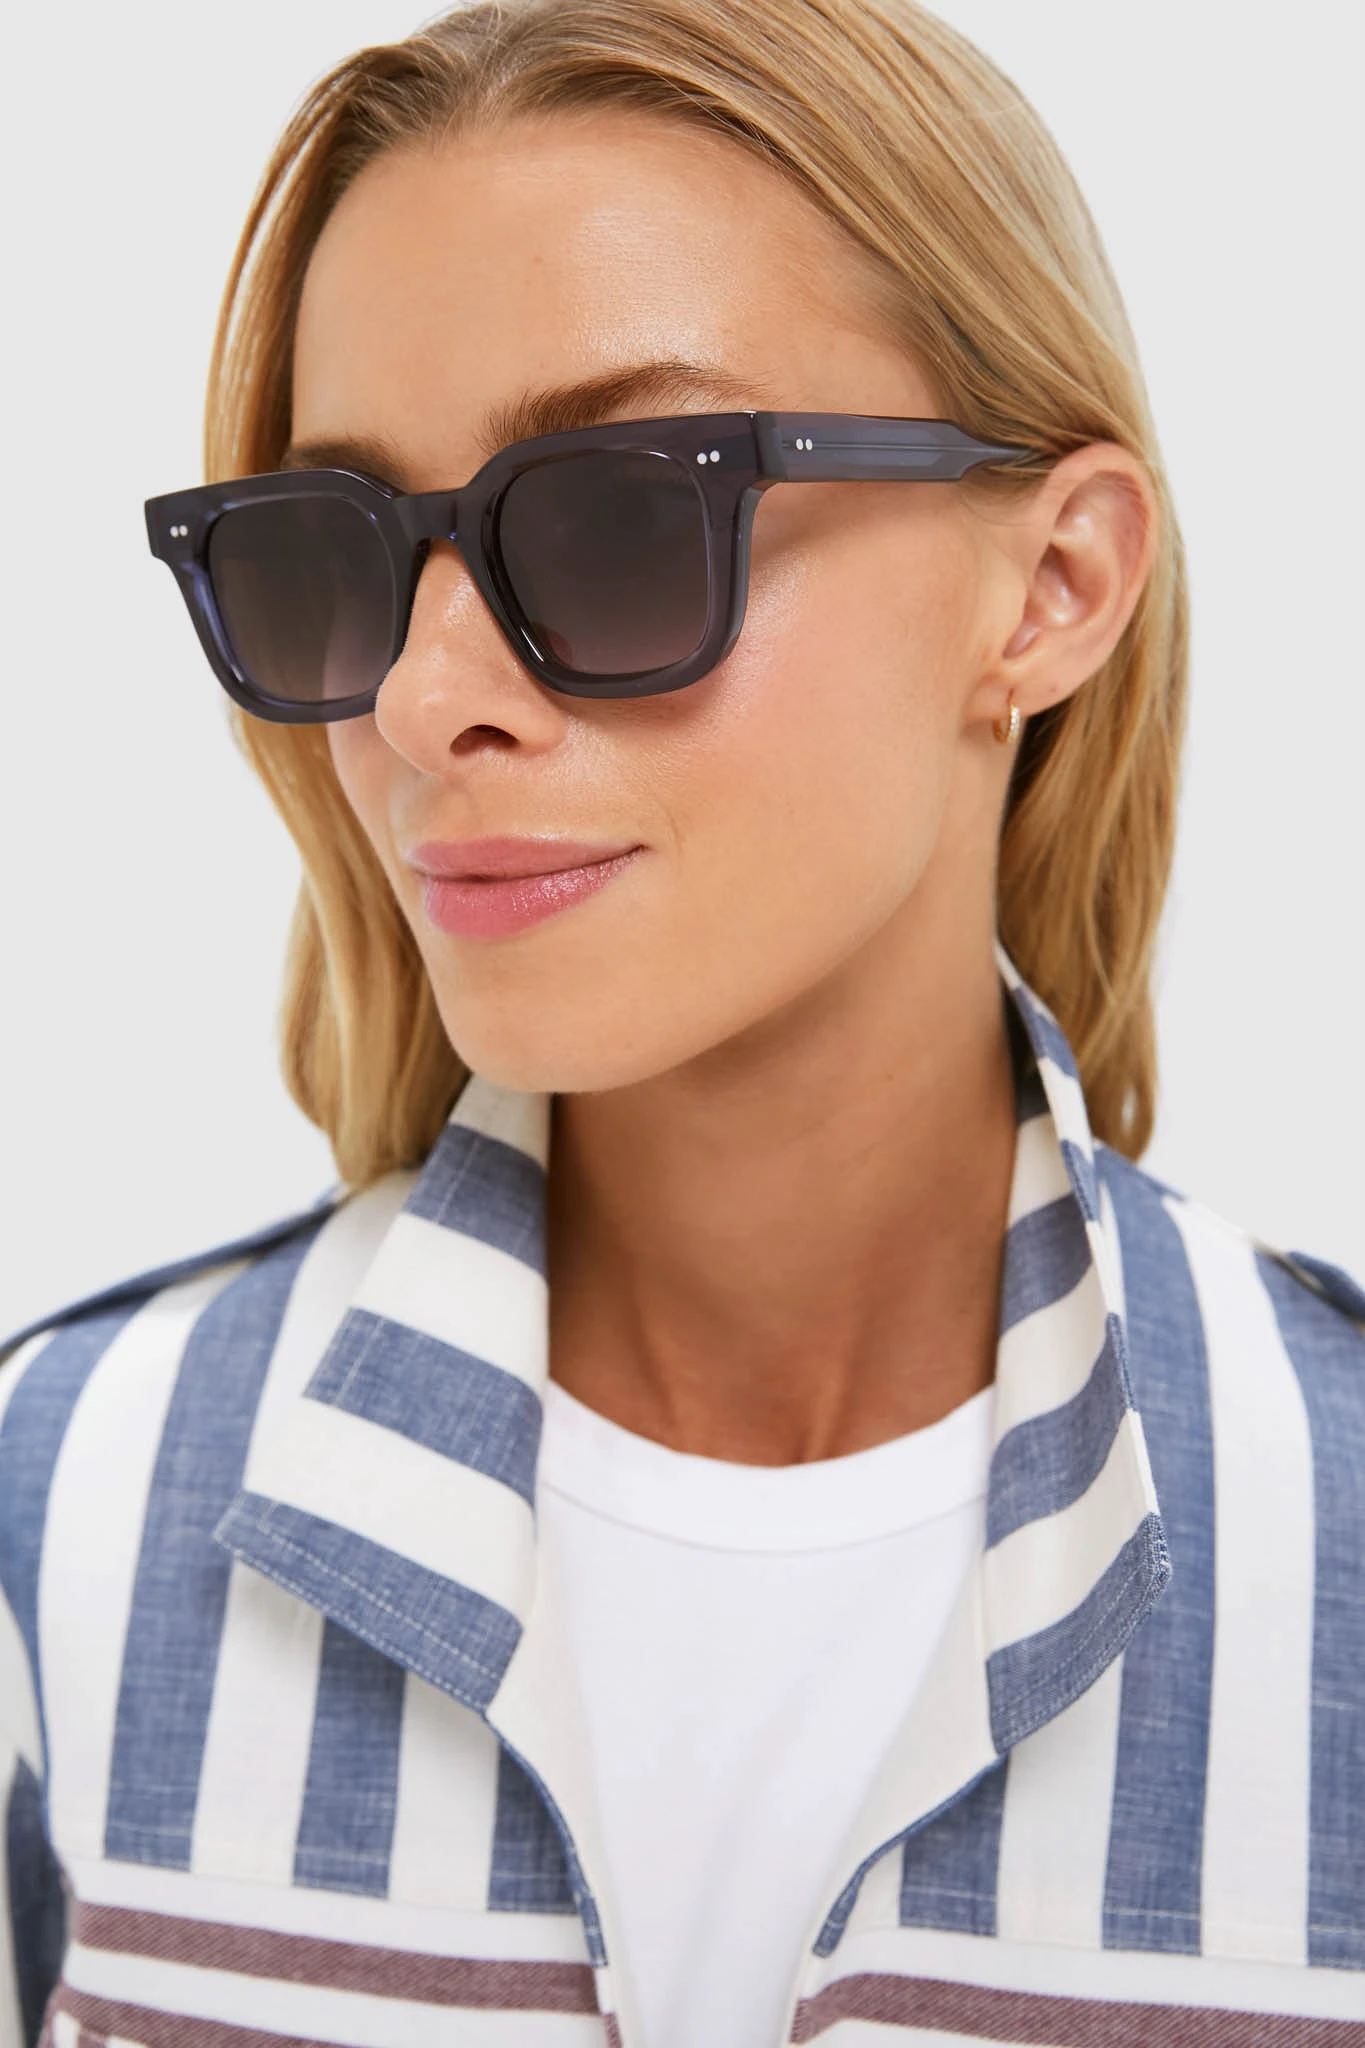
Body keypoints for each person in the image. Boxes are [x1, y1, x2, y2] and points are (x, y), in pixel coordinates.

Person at [2, 0, 1360, 2041]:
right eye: (341, 553)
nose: (423, 698)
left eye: (624, 516)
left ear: (1052, 586)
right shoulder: (57, 1506)